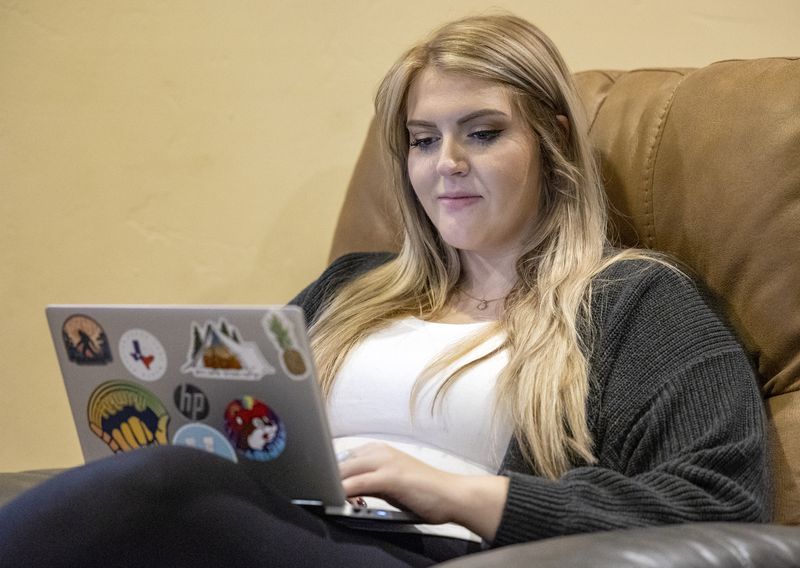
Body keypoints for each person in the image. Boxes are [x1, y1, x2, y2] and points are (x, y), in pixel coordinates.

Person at [0, 13, 769, 568]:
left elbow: (719, 498)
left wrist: (453, 493)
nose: (447, 164)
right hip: (277, 526)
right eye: (424, 140)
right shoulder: (349, 289)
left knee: (161, 484)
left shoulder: (634, 302)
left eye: (483, 132)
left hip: (416, 550)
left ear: (555, 140)